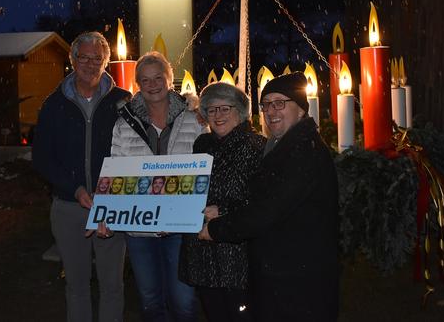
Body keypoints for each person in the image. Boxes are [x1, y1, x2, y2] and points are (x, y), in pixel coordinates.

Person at [198, 72, 340, 322]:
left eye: (280, 103)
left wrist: (217, 229)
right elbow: (262, 199)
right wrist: (222, 211)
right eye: (266, 105)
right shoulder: (283, 145)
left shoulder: (303, 152)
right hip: (286, 270)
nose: (271, 111)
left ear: (301, 109)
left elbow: (268, 210)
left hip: (297, 276)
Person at [33, 31, 131, 322]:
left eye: (97, 59)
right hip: (68, 207)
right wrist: (74, 188)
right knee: (76, 285)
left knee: (112, 285)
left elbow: (138, 150)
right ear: (72, 59)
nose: (90, 64)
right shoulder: (54, 104)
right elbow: (42, 158)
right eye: (83, 57)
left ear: (106, 62)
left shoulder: (122, 101)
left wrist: (110, 196)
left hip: (111, 207)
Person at [110, 51, 207, 322]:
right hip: (140, 229)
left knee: (184, 302)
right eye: (145, 79)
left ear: (169, 79)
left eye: (158, 78)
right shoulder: (124, 123)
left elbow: (208, 167)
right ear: (138, 83)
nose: (153, 85)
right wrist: (109, 211)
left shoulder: (195, 119)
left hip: (181, 226)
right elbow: (117, 170)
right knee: (151, 303)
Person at [179, 82, 266, 322]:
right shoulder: (202, 144)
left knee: (240, 315)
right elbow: (191, 188)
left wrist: (224, 210)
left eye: (225, 109)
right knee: (213, 313)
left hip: (235, 254)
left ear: (240, 111)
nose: (217, 116)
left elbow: (263, 201)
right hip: (202, 251)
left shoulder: (256, 146)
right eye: (211, 110)